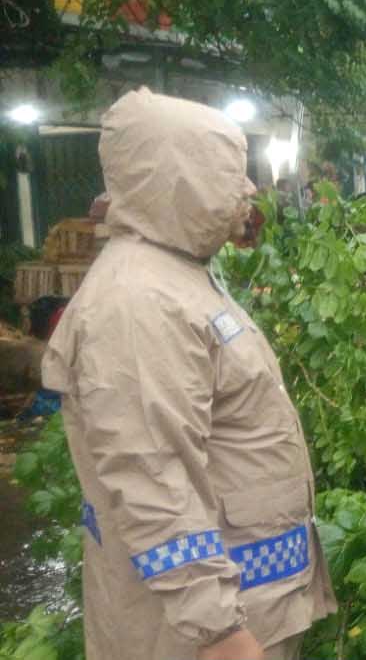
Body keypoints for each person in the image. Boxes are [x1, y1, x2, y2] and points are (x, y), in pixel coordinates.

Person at [41, 89, 335, 660]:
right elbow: (151, 476)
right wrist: (219, 631)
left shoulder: (176, 278)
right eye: (229, 172)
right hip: (200, 633)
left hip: (250, 608)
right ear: (180, 179)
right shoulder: (138, 303)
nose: (248, 189)